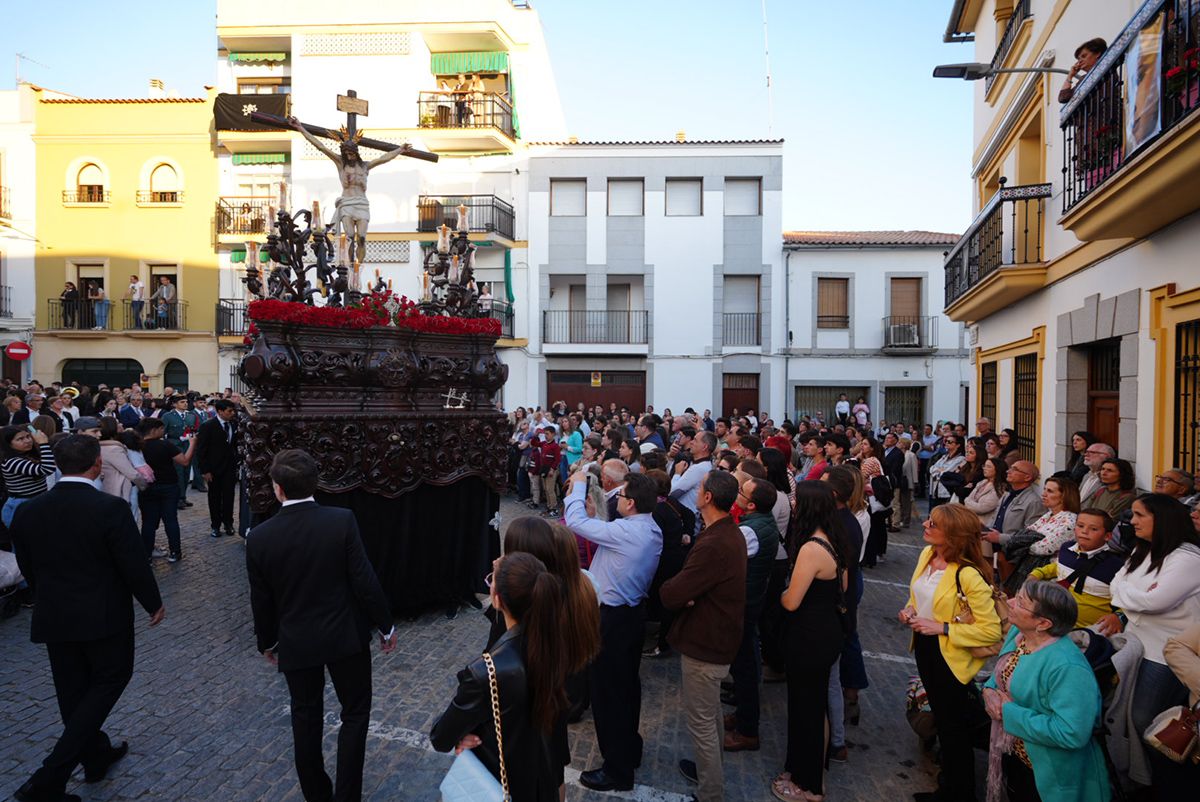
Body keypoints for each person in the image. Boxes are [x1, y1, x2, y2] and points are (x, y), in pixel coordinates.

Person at [10, 435, 164, 802]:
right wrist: (152, 602)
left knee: (73, 690)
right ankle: (50, 777)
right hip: (104, 614)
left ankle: (95, 754)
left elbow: (27, 564)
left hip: (55, 613)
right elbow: (131, 563)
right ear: (96, 464)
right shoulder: (109, 509)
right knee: (111, 678)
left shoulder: (28, 511)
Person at [246, 449, 396, 802]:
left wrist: (267, 642)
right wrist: (385, 625)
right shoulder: (340, 520)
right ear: (317, 483)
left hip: (297, 640)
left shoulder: (261, 537)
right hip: (345, 635)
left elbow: (261, 600)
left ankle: (318, 795)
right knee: (356, 713)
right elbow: (364, 580)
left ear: (278, 488)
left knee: (305, 716)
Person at [431, 552, 566, 801]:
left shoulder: (486, 672)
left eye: (492, 579)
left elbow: (441, 737)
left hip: (501, 783)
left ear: (497, 599)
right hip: (542, 779)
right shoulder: (551, 641)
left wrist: (460, 733)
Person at [564, 470, 662, 792]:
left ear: (631, 503)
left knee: (608, 695)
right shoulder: (650, 528)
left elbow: (574, 521)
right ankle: (629, 750)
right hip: (630, 616)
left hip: (613, 619)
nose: (616, 498)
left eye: (620, 496)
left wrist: (579, 483)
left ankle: (617, 771)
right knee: (627, 690)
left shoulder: (626, 531)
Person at [900, 503, 1002, 802]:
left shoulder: (968, 574)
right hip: (925, 646)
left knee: (952, 726)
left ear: (954, 534)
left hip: (951, 655)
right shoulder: (927, 555)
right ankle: (950, 785)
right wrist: (910, 610)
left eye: (933, 524)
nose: (925, 526)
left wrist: (942, 628)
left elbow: (991, 630)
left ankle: (959, 792)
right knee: (945, 721)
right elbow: (918, 595)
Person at [982, 580, 1111, 802]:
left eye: (1021, 602)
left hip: (1047, 773)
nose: (1011, 603)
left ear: (1042, 623)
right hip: (1013, 753)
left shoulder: (1068, 667)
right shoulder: (1019, 635)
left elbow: (1071, 732)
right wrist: (988, 690)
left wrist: (1008, 713)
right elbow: (1000, 674)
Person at [771, 481, 851, 802]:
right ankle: (807, 772)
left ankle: (809, 787)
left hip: (809, 637)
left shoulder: (812, 548)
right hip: (826, 632)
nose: (792, 505)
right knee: (815, 708)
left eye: (797, 501)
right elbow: (841, 585)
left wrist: (781, 592)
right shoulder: (835, 539)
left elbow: (791, 601)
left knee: (806, 710)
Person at [1107, 495, 1200, 749]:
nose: (1132, 521)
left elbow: (1155, 602)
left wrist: (1129, 594)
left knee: (1145, 720)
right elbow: (1114, 585)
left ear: (1162, 520)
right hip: (1135, 644)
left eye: (1139, 515)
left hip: (1165, 653)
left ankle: (1164, 776)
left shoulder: (1188, 558)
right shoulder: (1144, 548)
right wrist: (1136, 596)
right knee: (1127, 714)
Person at [722, 475, 779, 754]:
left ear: (753, 505)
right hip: (751, 599)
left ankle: (747, 729)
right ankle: (744, 715)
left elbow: (725, 560)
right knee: (744, 663)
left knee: (744, 667)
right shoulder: (760, 523)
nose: (738, 496)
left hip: (744, 603)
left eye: (742, 494)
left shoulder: (751, 531)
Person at [1030, 508, 1125, 628]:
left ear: (1107, 536)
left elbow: (1127, 601)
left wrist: (1118, 616)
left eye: (1093, 529)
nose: (1084, 531)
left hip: (1088, 632)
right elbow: (1058, 567)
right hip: (1055, 621)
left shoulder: (1116, 566)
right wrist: (1037, 573)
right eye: (1080, 526)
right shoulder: (1066, 549)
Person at [995, 476, 1081, 595]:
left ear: (1064, 496)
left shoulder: (1070, 520)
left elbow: (1044, 548)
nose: (1044, 494)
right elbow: (1025, 533)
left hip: (1049, 575)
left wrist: (1025, 542)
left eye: (1050, 491)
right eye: (1045, 489)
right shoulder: (1048, 515)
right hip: (1030, 567)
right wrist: (1030, 539)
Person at [135, 418, 196, 562]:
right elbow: (185, 461)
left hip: (147, 487)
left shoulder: (137, 447)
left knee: (148, 522)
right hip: (168, 486)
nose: (164, 432)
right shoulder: (165, 445)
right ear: (154, 430)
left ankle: (147, 555)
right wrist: (192, 444)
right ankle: (175, 552)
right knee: (170, 520)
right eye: (162, 429)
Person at [194, 399, 239, 539]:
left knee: (229, 497)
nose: (232, 414)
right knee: (214, 498)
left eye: (233, 411)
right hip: (213, 469)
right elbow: (201, 450)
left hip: (230, 468)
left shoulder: (234, 424)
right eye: (229, 411)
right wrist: (205, 470)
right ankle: (215, 525)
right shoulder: (208, 426)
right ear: (220, 411)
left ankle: (228, 523)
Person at [982, 461, 1047, 548]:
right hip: (995, 548)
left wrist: (1000, 538)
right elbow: (995, 517)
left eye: (1015, 469)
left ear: (1027, 477)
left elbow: (1030, 536)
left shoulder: (1034, 502)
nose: (1008, 471)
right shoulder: (1007, 495)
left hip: (1012, 553)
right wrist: (986, 529)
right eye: (1010, 468)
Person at [1, 426, 56, 527]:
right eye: (20, 439)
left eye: (28, 436)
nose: (27, 441)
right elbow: (48, 469)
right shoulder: (11, 462)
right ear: (8, 444)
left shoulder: (27, 455)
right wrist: (43, 443)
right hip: (22, 504)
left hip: (37, 501)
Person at [161, 395, 199, 511]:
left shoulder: (191, 415)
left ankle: (183, 496)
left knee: (186, 472)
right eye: (182, 402)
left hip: (188, 445)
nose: (185, 404)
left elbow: (196, 429)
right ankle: (177, 499)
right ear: (174, 404)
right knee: (178, 473)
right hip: (175, 446)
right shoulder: (168, 416)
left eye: (186, 402)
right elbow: (162, 431)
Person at [1058, 38, 1108, 103]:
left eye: (1084, 56)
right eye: (1078, 59)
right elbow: (1063, 98)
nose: (1080, 61)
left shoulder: (1106, 69)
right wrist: (1070, 75)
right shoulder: (1084, 78)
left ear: (1097, 54)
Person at [927, 433, 966, 512]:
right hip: (936, 489)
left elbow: (947, 473)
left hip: (946, 491)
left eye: (950, 442)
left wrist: (940, 471)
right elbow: (932, 468)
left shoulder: (960, 459)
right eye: (946, 441)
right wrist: (939, 471)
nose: (946, 443)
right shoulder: (944, 456)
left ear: (958, 445)